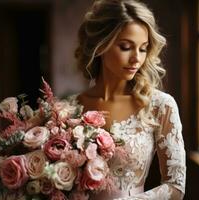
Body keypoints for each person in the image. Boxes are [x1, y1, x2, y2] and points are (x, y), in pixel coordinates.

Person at [71, 0, 186, 199]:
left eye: (143, 49)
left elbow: (175, 187)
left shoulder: (160, 106)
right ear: (100, 46)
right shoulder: (70, 109)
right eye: (126, 47)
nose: (136, 58)